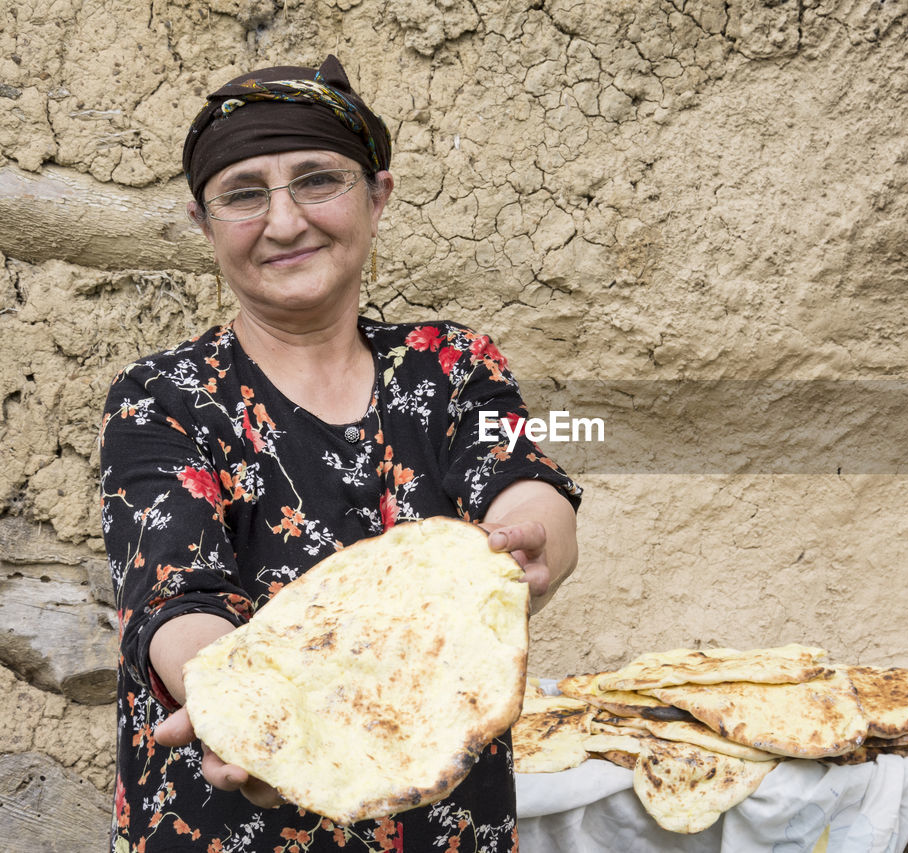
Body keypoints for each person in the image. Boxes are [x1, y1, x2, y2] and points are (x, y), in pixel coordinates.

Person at [99, 55, 582, 853]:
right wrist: (254, 721)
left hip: (442, 820)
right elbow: (175, 599)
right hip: (228, 825)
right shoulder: (165, 395)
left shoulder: (453, 366)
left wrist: (532, 534)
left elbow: (525, 483)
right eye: (244, 193)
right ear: (204, 221)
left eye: (318, 180)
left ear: (378, 195)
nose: (285, 222)